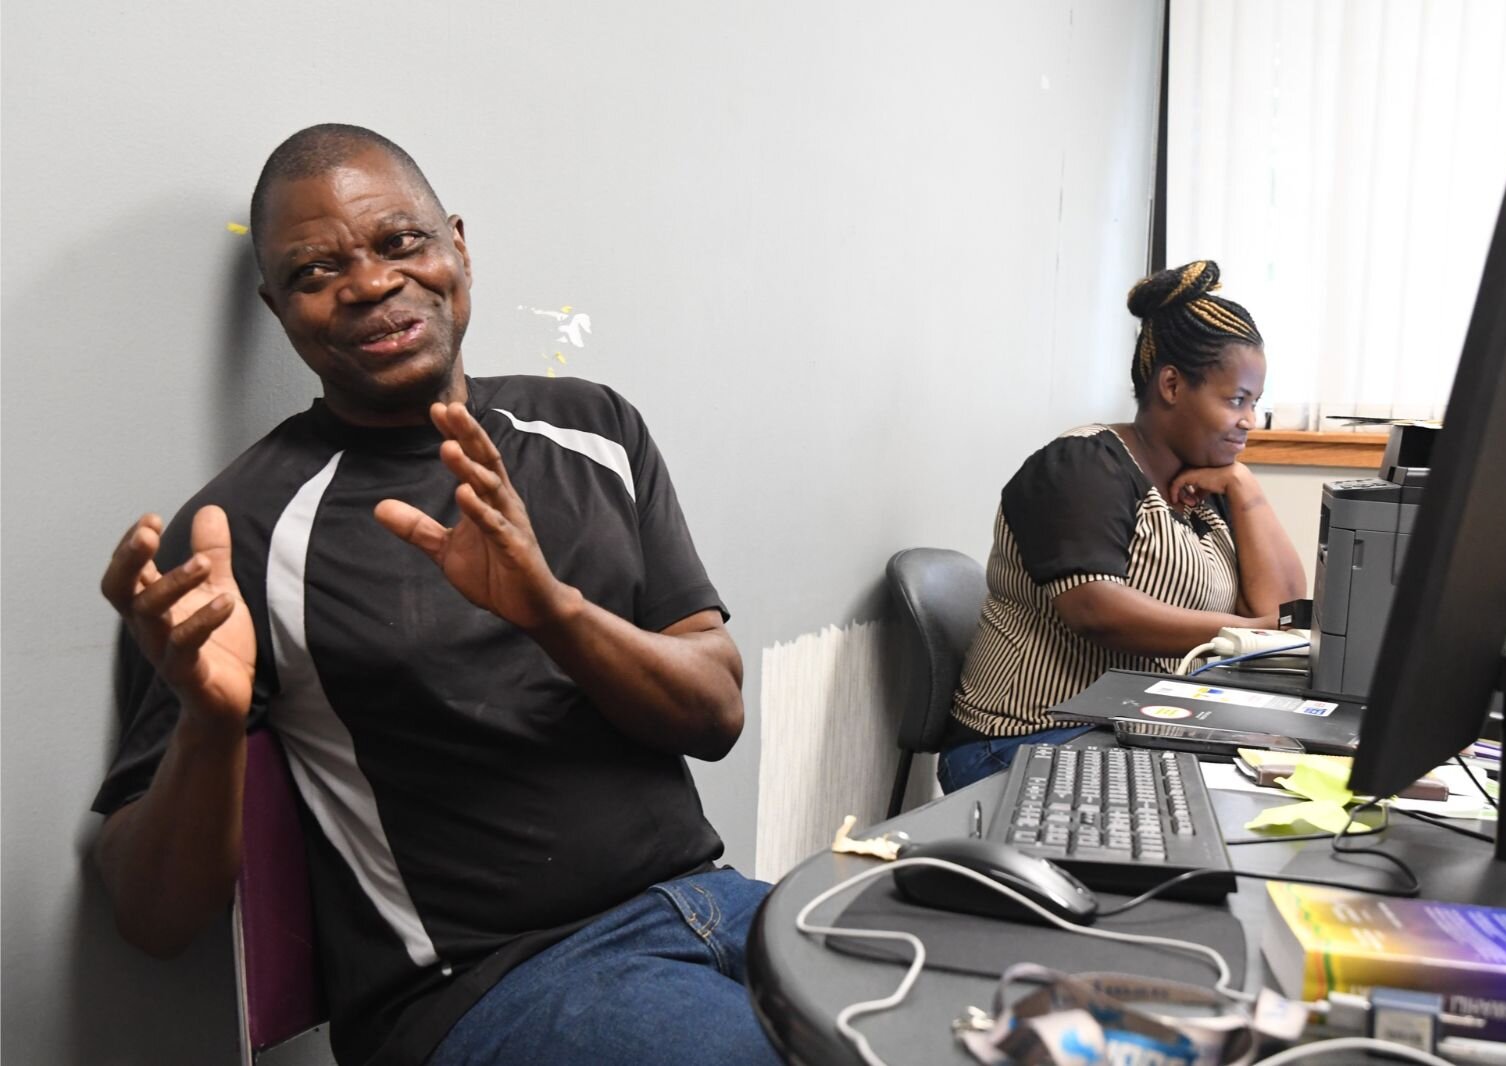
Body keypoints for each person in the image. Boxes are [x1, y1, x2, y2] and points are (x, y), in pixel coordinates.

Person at [91, 124, 780, 1066]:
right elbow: (152, 918)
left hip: (714, 903)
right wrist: (210, 728)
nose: (371, 284)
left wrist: (552, 610)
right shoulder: (236, 532)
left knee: (985, 1011)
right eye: (314, 272)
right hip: (490, 985)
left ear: (457, 242)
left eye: (399, 242)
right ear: (279, 307)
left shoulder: (596, 427)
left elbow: (716, 714)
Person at [938, 260, 1306, 792]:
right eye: (1235, 400)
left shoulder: (1206, 486)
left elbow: (1286, 612)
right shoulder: (1082, 466)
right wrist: (1247, 633)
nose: (1249, 420)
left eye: (1254, 403)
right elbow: (1095, 609)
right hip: (1025, 741)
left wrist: (1244, 485)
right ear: (1173, 385)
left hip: (1132, 736)